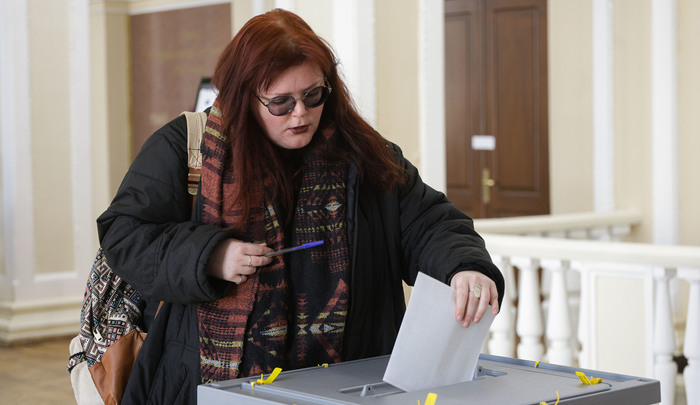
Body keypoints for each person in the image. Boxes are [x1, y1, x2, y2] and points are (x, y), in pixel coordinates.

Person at [97, 8, 504, 404]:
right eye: (281, 103)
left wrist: (464, 265)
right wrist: (210, 256)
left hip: (345, 386)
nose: (301, 114)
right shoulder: (185, 147)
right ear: (245, 95)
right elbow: (125, 234)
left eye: (314, 95)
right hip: (209, 384)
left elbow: (428, 223)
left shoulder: (365, 155)